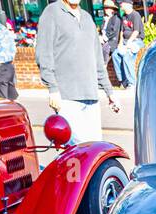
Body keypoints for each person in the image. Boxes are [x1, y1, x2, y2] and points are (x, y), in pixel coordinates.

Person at [36, 0, 120, 145]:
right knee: (75, 151)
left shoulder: (87, 18)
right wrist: (53, 88)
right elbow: (44, 54)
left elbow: (98, 60)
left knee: (94, 151)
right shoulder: (52, 12)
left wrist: (109, 92)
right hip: (67, 97)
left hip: (91, 95)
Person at [115, 1, 144, 89]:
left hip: (136, 40)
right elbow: (122, 31)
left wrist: (129, 42)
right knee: (115, 55)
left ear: (128, 4)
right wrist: (120, 43)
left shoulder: (135, 15)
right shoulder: (124, 16)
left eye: (122, 3)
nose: (120, 4)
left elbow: (136, 31)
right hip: (125, 41)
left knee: (127, 56)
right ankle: (124, 81)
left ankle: (132, 83)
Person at [102, 0, 122, 79]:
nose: (105, 10)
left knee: (105, 48)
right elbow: (102, 30)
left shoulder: (116, 18)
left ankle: (104, 66)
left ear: (112, 9)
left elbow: (114, 32)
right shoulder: (105, 19)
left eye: (107, 8)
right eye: (105, 8)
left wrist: (105, 38)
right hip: (105, 39)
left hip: (112, 40)